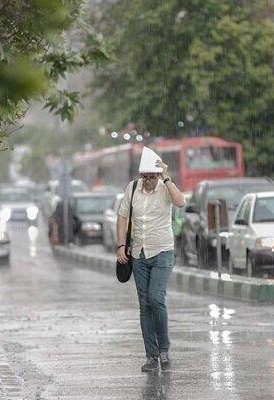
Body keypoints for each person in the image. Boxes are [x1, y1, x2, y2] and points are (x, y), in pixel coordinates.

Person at [116, 147, 186, 373]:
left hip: (162, 251)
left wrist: (166, 177)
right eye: (145, 176)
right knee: (144, 305)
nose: (148, 181)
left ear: (157, 175)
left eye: (152, 176)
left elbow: (181, 202)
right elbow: (122, 215)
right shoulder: (133, 188)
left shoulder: (165, 188)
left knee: (157, 299)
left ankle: (164, 349)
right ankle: (151, 356)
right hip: (138, 254)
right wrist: (120, 245)